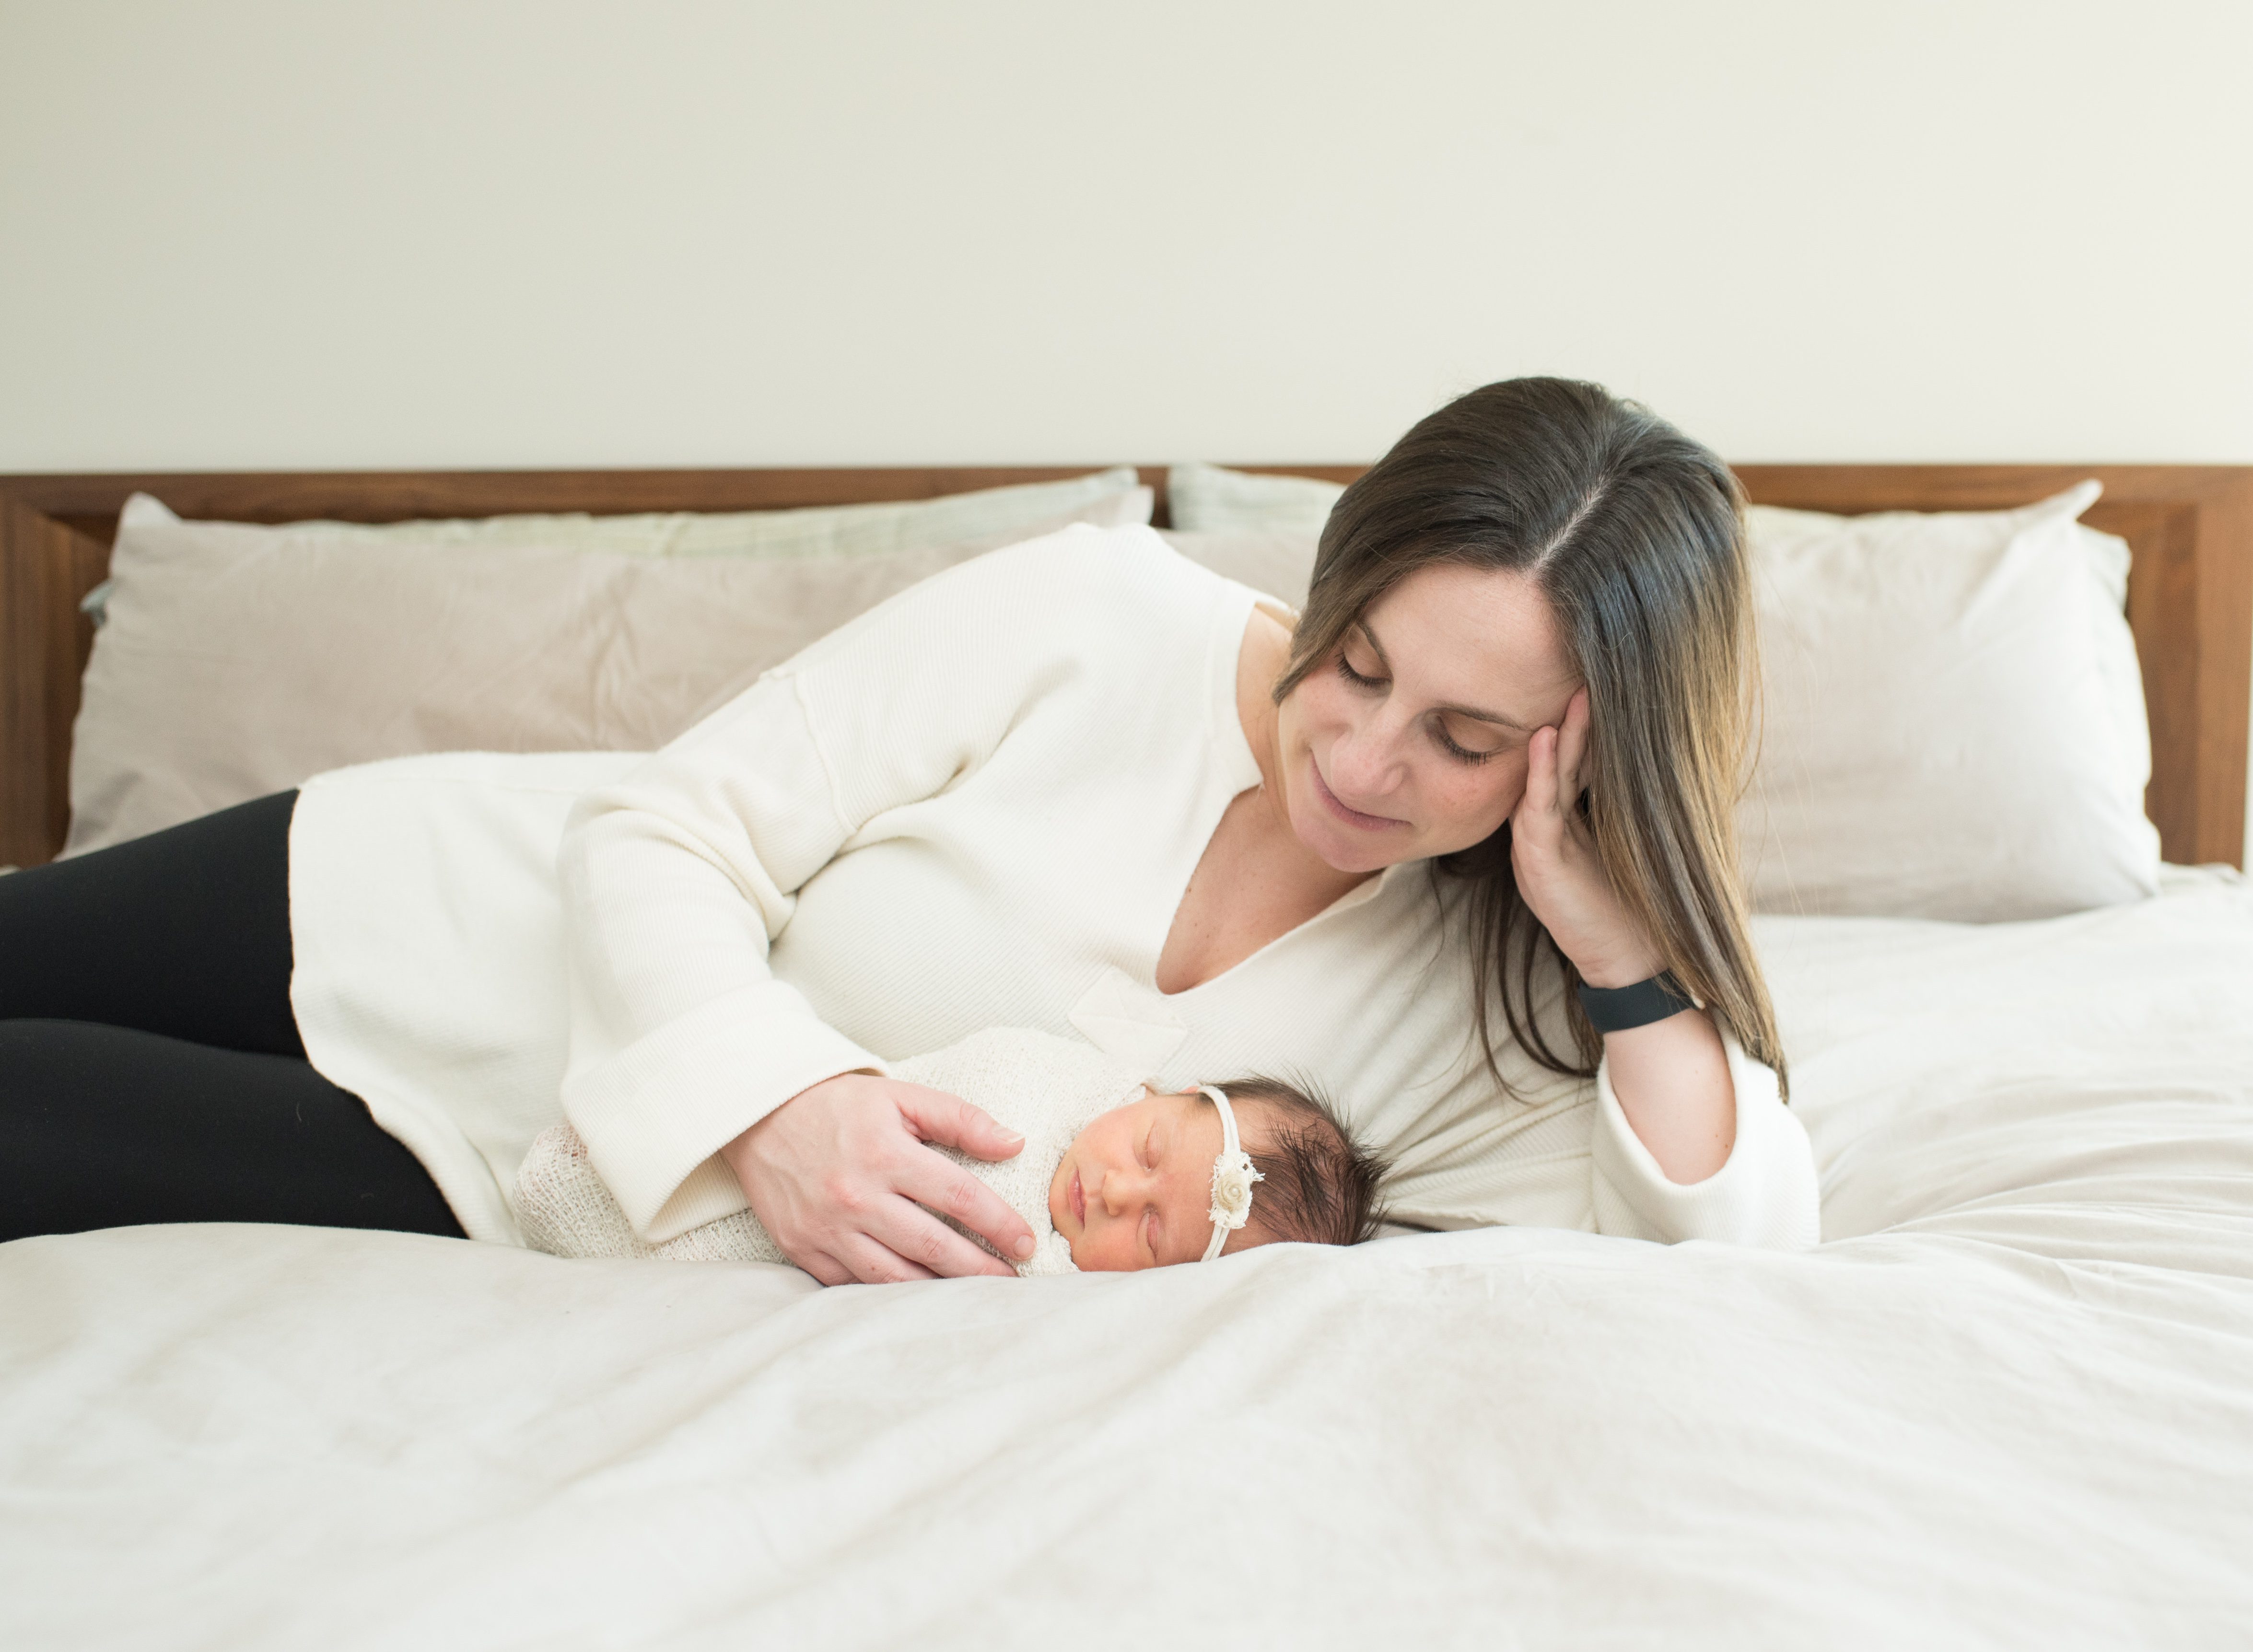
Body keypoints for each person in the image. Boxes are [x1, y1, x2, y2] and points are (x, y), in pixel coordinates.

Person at [0, 377, 1821, 1270]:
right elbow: (662, 829)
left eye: (1462, 735)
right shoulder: (1106, 617)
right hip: (410, 900)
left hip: (514, 1165)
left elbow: (1726, 1279)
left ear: (1584, 756)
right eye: (1352, 662)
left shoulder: (1489, 1014)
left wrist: (1623, 951)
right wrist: (783, 1108)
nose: (1354, 755)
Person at [513, 1025, 1386, 1275]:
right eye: (1150, 1148)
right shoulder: (1047, 1080)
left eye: (1153, 1233)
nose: (1118, 1190)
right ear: (1156, 1095)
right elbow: (944, 1079)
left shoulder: (1058, 1289)